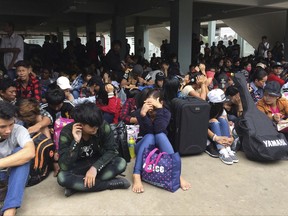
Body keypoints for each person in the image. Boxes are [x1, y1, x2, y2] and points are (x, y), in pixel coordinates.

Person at [57, 102, 130, 197]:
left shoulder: (102, 126)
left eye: (97, 125)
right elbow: (64, 165)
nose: (96, 128)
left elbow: (112, 151)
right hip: (78, 166)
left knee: (121, 163)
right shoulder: (67, 132)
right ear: (80, 124)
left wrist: (95, 168)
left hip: (98, 162)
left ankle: (78, 187)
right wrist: (75, 141)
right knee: (62, 178)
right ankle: (109, 184)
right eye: (92, 126)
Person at [132, 89, 191, 193]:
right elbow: (149, 131)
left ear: (160, 102)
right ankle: (136, 174)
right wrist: (143, 115)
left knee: (160, 135)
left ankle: (177, 174)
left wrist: (159, 109)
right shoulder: (141, 112)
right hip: (143, 147)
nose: (149, 107)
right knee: (150, 136)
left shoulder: (165, 113)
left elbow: (158, 129)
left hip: (158, 149)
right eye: (147, 103)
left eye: (152, 104)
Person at [0, 101, 35, 216]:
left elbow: (30, 152)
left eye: (11, 124)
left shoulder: (19, 130)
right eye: (3, 127)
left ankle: (10, 210)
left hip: (12, 175)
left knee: (22, 153)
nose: (8, 130)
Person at [207, 89, 238, 165]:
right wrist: (215, 138)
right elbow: (202, 127)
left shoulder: (221, 109)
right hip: (208, 133)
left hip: (219, 134)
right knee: (215, 121)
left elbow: (226, 121)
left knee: (223, 119)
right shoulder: (205, 109)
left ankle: (227, 148)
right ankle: (221, 150)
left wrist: (230, 136)